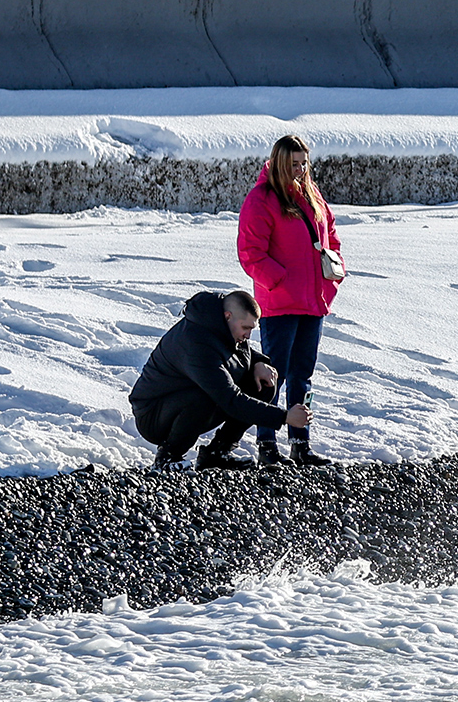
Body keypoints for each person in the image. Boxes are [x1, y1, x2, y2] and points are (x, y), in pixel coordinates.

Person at [236, 132, 345, 467]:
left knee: (303, 375)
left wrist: (332, 277)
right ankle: (267, 444)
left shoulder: (312, 196)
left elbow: (332, 237)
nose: (300, 169)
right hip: (280, 304)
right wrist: (280, 281)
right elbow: (250, 253)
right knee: (274, 375)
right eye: (293, 163)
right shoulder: (262, 199)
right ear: (280, 163)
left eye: (304, 163)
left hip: (313, 303)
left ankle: (301, 443)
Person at [129, 288, 308, 471]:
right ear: (228, 316)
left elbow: (240, 355)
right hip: (153, 415)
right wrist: (284, 417)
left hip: (186, 401)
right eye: (246, 328)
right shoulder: (196, 343)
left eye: (251, 329)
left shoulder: (223, 326)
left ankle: (218, 453)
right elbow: (230, 399)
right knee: (207, 394)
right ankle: (167, 457)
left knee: (264, 383)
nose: (247, 336)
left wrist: (260, 362)